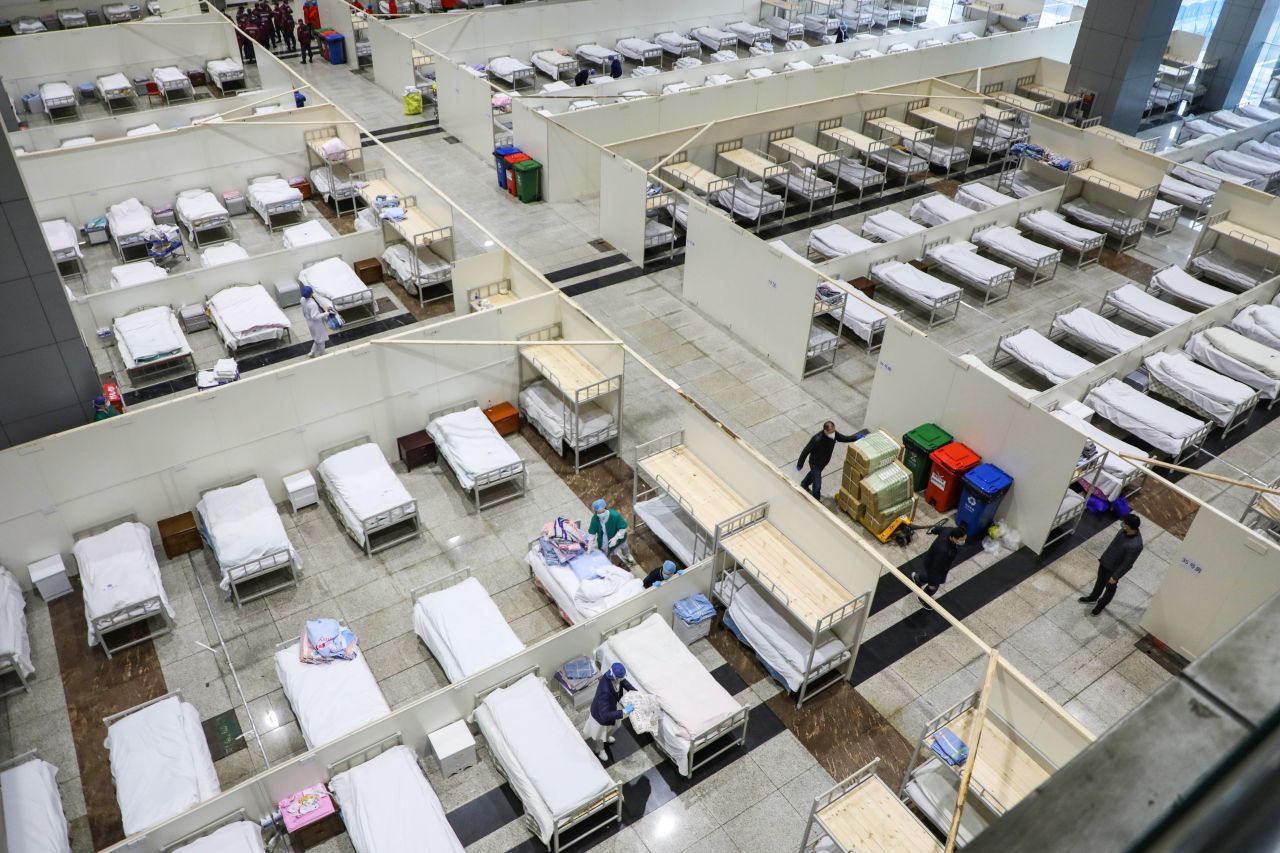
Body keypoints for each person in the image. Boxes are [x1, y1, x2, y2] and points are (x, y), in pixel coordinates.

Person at [1080, 514, 1143, 616]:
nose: (1123, 524)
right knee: (1099, 582)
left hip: (1113, 571)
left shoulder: (1136, 545)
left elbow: (1128, 563)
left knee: (1110, 589)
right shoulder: (1123, 531)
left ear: (1128, 526)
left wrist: (1116, 576)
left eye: (1125, 523)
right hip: (1105, 562)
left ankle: (1101, 605)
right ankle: (1093, 597)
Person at [581, 663, 635, 760]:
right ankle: (599, 750)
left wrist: (634, 691)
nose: (622, 679)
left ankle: (605, 737)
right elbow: (604, 715)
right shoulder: (604, 692)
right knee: (599, 734)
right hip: (600, 716)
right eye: (621, 677)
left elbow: (623, 682)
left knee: (616, 725)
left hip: (610, 708)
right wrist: (623, 712)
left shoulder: (612, 675)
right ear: (616, 678)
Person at [795, 420, 856, 501]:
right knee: (817, 486)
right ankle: (816, 501)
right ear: (825, 431)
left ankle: (804, 484)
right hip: (815, 463)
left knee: (813, 475)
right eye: (830, 432)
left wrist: (855, 437)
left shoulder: (834, 433)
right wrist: (800, 463)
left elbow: (843, 438)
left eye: (833, 431)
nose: (832, 434)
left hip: (824, 462)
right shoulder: (817, 439)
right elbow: (806, 450)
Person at [912, 526, 967, 608]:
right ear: (954, 538)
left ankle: (918, 579)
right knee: (933, 586)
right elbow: (935, 569)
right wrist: (933, 583)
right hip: (936, 566)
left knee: (927, 574)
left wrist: (934, 530)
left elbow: (938, 529)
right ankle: (923, 599)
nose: (963, 541)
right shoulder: (944, 551)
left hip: (929, 559)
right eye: (961, 540)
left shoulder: (949, 530)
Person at [588, 498, 634, 565]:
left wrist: (616, 538)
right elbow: (592, 533)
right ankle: (608, 562)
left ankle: (627, 555)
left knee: (624, 547)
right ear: (595, 511)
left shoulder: (614, 515)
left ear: (605, 508)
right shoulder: (595, 519)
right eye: (599, 512)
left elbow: (623, 528)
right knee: (607, 551)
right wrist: (590, 546)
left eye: (602, 511)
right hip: (605, 539)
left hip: (619, 538)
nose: (601, 514)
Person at [300, 285, 331, 358]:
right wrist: (326, 313)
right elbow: (315, 316)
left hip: (309, 322)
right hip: (315, 324)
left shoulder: (302, 300)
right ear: (311, 293)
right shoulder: (312, 304)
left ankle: (312, 352)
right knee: (321, 339)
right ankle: (322, 353)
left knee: (316, 338)